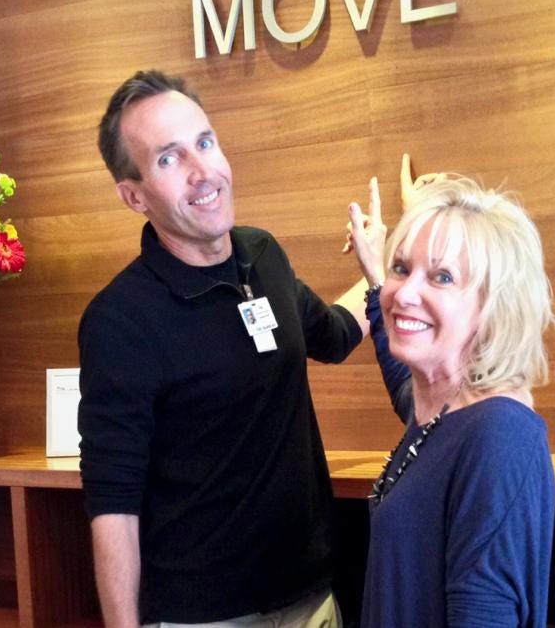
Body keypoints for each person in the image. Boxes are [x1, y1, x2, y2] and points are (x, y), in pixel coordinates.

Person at [78, 70, 369, 628]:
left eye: (205, 142)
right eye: (169, 158)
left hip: (310, 597)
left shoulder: (262, 256)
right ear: (134, 195)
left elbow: (332, 335)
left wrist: (389, 265)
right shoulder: (120, 320)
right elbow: (113, 502)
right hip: (204, 615)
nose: (202, 171)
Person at [345, 165, 555, 628]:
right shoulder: (440, 412)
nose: (405, 293)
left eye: (441, 277)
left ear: (493, 306)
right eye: (402, 268)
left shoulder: (499, 435)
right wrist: (375, 276)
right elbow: (403, 382)